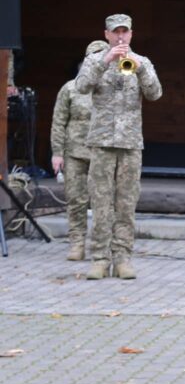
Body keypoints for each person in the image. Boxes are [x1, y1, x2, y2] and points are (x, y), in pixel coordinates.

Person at [75, 14, 162, 280]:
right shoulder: (94, 61)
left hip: (130, 144)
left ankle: (123, 258)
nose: (121, 36)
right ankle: (100, 258)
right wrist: (105, 61)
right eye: (116, 32)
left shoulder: (142, 62)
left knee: (126, 204)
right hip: (101, 143)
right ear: (107, 34)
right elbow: (81, 86)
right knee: (101, 203)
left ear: (132, 34)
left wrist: (140, 68)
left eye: (125, 32)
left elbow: (155, 93)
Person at [51, 40, 108, 261]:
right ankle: (77, 243)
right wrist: (57, 153)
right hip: (74, 152)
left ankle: (100, 246)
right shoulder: (70, 88)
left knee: (103, 201)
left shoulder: (111, 89)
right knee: (76, 199)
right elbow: (59, 122)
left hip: (102, 153)